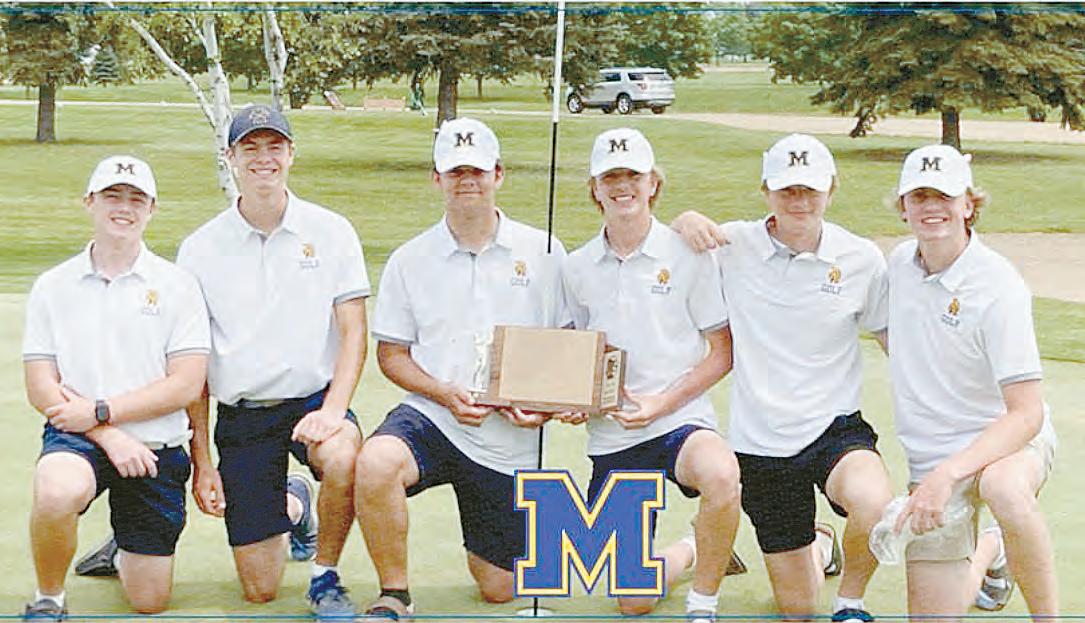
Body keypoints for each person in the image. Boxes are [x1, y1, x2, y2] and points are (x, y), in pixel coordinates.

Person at [671, 133, 893, 622]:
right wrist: (683, 220)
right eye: (787, 189)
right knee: (797, 610)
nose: (799, 200)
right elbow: (671, 250)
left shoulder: (861, 258)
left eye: (810, 189)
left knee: (875, 502)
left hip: (835, 429)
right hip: (761, 444)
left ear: (831, 189)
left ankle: (851, 603)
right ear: (766, 191)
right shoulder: (731, 245)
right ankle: (820, 545)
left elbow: (892, 340)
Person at [356, 117, 567, 618]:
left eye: (477, 170)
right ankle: (395, 594)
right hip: (433, 416)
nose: (466, 180)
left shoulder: (544, 251)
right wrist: (442, 393)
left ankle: (686, 548)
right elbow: (392, 355)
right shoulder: (410, 259)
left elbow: (566, 350)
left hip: (506, 436)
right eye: (455, 172)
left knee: (499, 586)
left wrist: (542, 408)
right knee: (376, 462)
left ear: (499, 175)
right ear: (437, 179)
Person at [178, 104, 367, 616]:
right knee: (260, 588)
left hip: (313, 402)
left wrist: (334, 410)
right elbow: (194, 367)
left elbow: (353, 332)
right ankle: (295, 505)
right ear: (230, 157)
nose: (264, 158)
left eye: (275, 146)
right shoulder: (199, 249)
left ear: (291, 153)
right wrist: (202, 462)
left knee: (344, 457)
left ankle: (326, 576)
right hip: (245, 416)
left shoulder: (332, 231)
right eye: (251, 147)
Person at [561, 128, 741, 623]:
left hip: (680, 421)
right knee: (633, 601)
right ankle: (694, 546)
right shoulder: (576, 267)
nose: (623, 186)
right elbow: (575, 356)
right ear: (595, 188)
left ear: (653, 183)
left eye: (634, 175)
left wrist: (661, 404)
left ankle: (703, 603)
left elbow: (721, 352)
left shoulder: (687, 252)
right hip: (614, 437)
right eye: (610, 177)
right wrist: (574, 399)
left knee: (721, 473)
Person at [21, 156, 210, 620]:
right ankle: (49, 599)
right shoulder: (53, 286)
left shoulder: (179, 285)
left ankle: (121, 548)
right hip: (79, 437)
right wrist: (106, 432)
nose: (123, 207)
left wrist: (102, 411)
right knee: (56, 492)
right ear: (89, 202)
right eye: (112, 196)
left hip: (155, 448)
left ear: (152, 209)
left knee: (149, 601)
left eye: (136, 199)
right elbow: (41, 385)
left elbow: (186, 384)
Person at [887, 144, 1057, 620]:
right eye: (919, 196)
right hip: (932, 456)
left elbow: (1027, 412)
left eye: (944, 196)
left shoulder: (999, 286)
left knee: (1003, 488)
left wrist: (948, 475)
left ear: (968, 204)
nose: (931, 207)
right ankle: (990, 551)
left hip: (1006, 444)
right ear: (903, 207)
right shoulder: (898, 265)